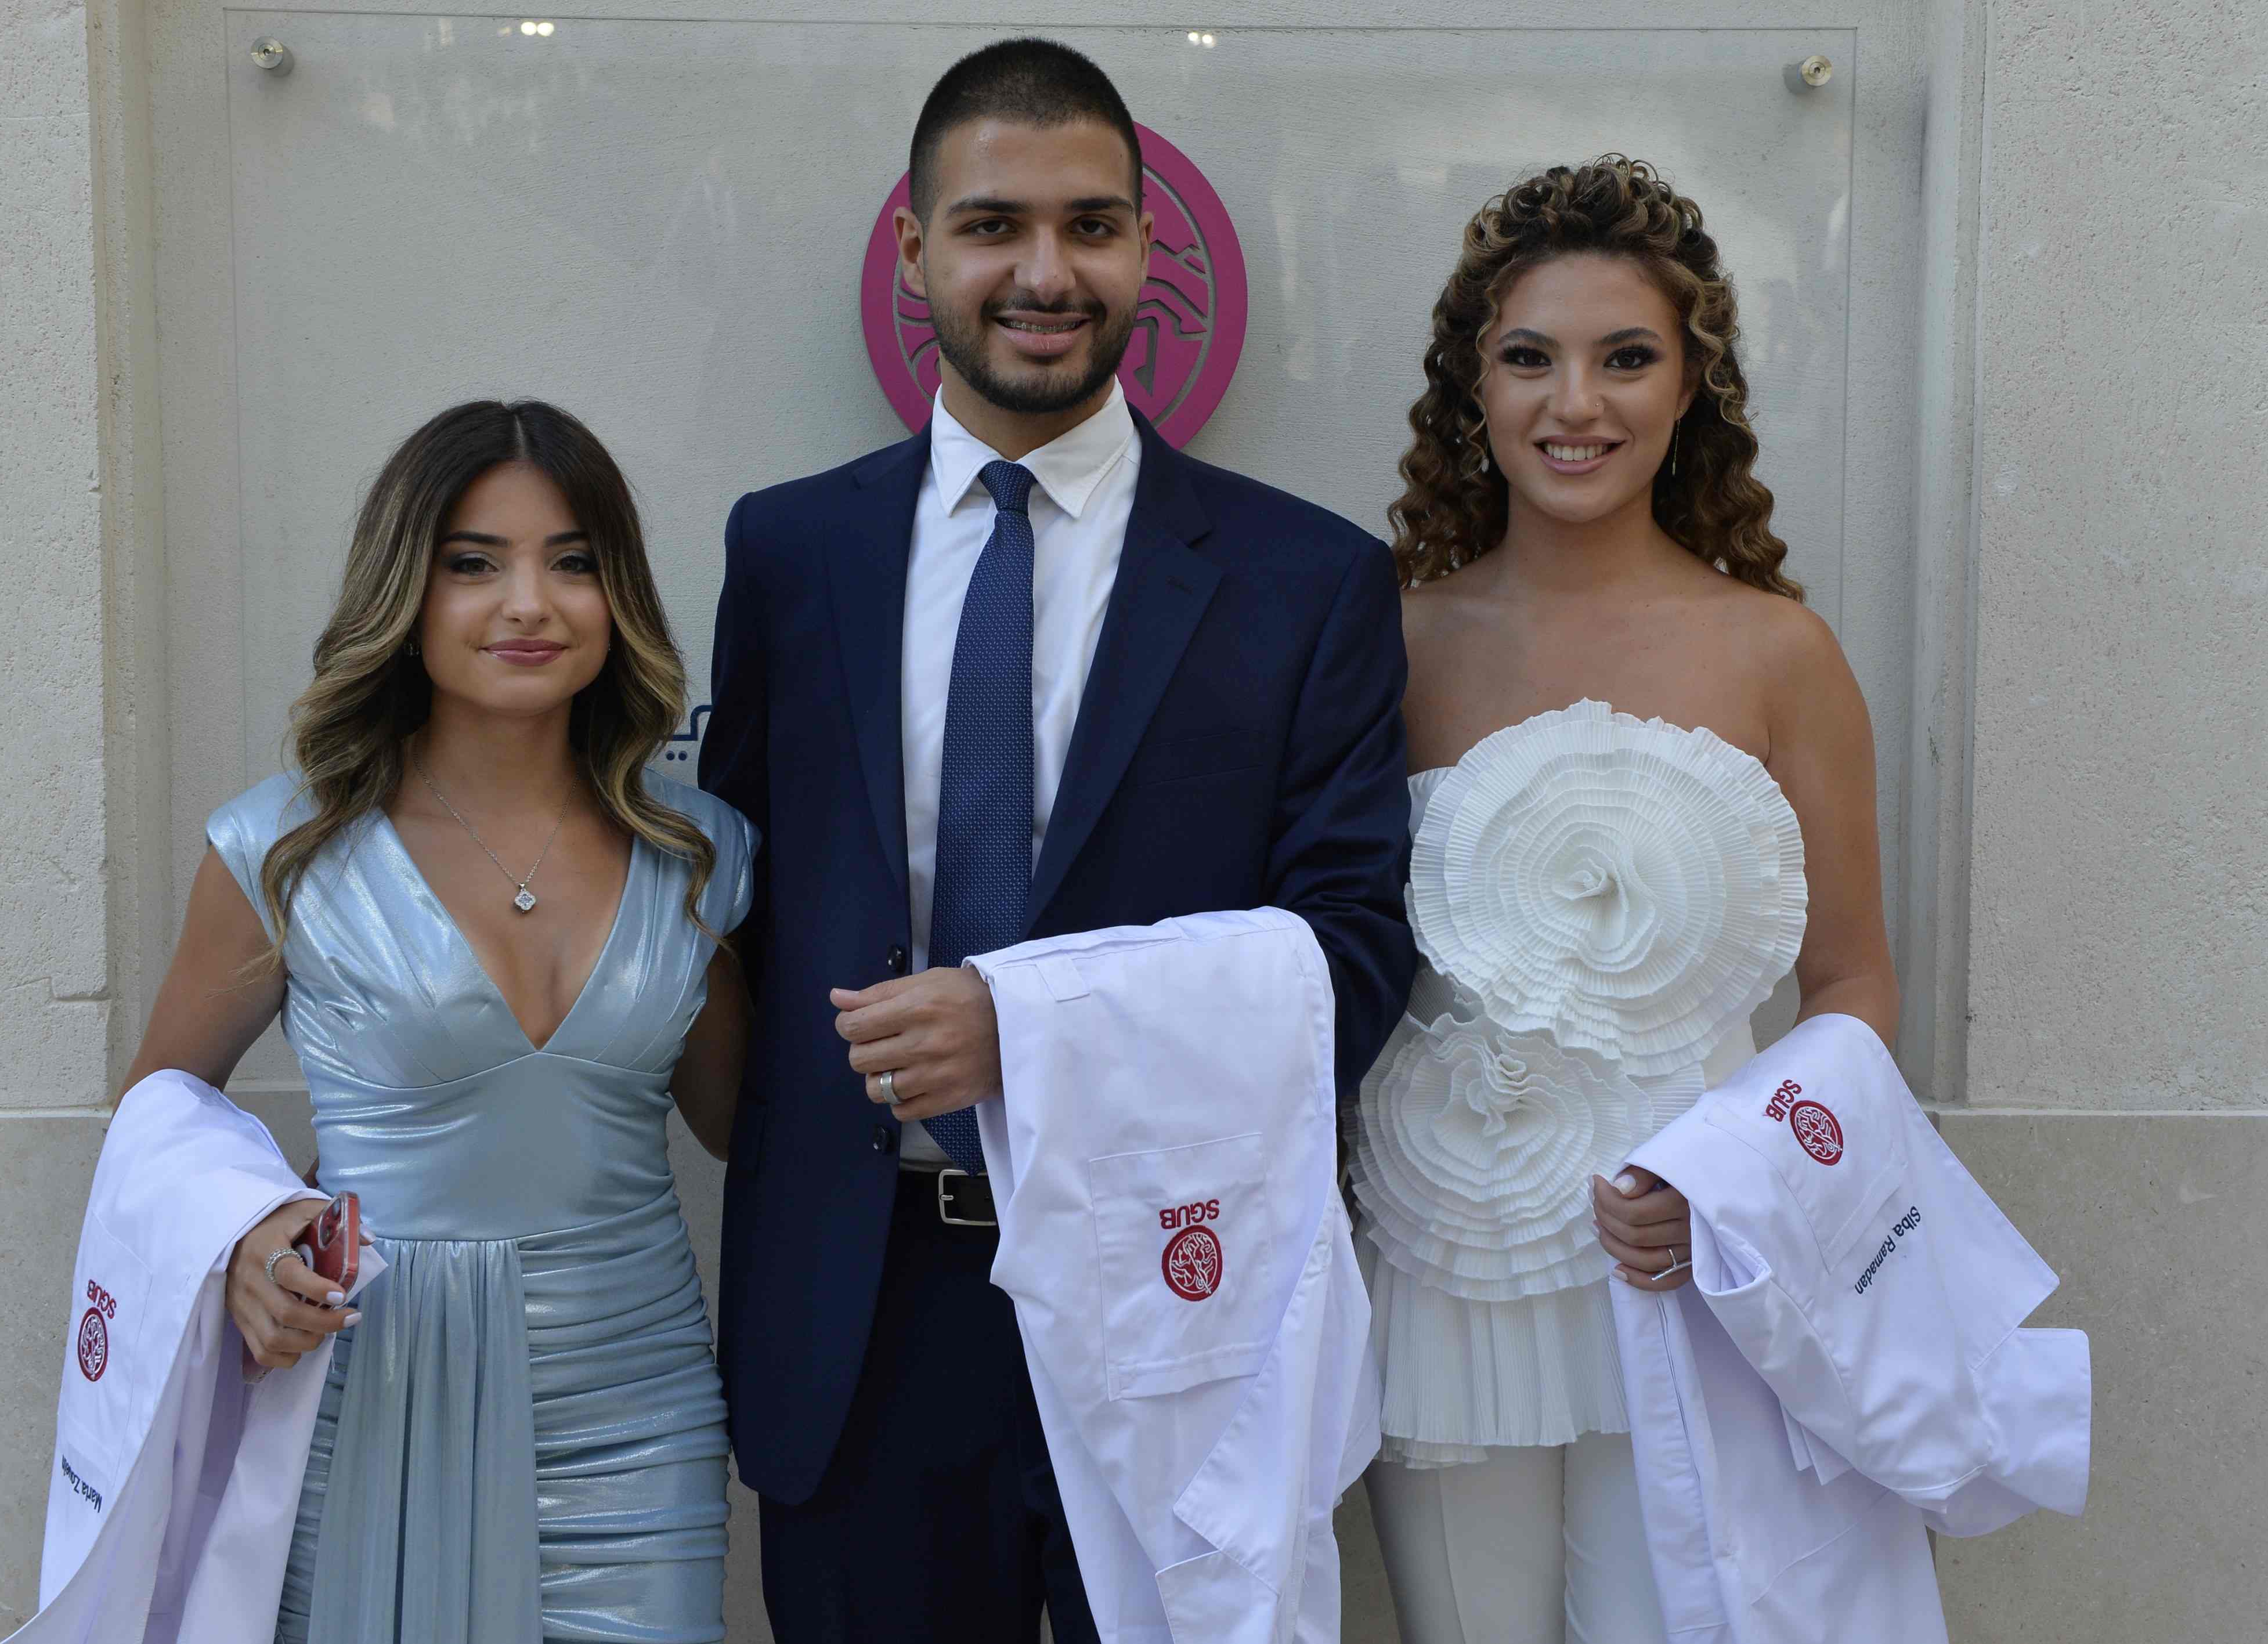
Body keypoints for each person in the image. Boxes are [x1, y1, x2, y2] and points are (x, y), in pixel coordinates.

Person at [696, 37, 1415, 1643]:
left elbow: (1356, 962)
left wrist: (1026, 1029)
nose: (1043, 273)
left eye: (1091, 226)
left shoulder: (1306, 583)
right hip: (861, 1312)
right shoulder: (791, 550)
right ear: (914, 252)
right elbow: (734, 909)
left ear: (1151, 248)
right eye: (992, 226)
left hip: (1173, 1295)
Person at [1348, 157, 1901, 1642]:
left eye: (1626, 358)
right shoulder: (1388, 642)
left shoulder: (1780, 654)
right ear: (1473, 387)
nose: (1574, 403)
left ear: (1691, 387)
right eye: (1530, 357)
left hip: (1696, 1260)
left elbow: (1852, 984)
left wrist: (1736, 1180)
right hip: (1447, 1261)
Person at [124, 399, 752, 1642]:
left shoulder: (702, 854)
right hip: (368, 1393)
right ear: (404, 594)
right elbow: (155, 1117)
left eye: (572, 562)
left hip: (637, 1423)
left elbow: (748, 1130)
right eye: (474, 563)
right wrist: (243, 1242)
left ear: (618, 594)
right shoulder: (282, 849)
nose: (529, 603)